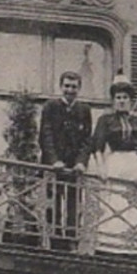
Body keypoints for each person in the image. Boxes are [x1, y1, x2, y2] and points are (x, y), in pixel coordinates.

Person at [83, 72, 137, 255]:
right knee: (114, 205)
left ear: (130, 100)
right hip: (114, 164)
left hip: (134, 165)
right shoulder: (105, 120)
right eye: (118, 98)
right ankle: (110, 245)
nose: (121, 101)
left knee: (134, 207)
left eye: (125, 98)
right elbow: (97, 146)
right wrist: (101, 169)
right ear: (113, 101)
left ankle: (135, 248)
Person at [39, 71, 92, 246]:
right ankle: (54, 242)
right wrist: (54, 160)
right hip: (54, 166)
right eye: (67, 86)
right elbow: (45, 135)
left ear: (79, 88)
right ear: (61, 87)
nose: (70, 90)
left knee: (73, 205)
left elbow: (86, 140)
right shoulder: (51, 107)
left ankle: (71, 242)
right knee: (53, 204)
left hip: (73, 168)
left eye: (74, 87)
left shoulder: (84, 110)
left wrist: (81, 162)